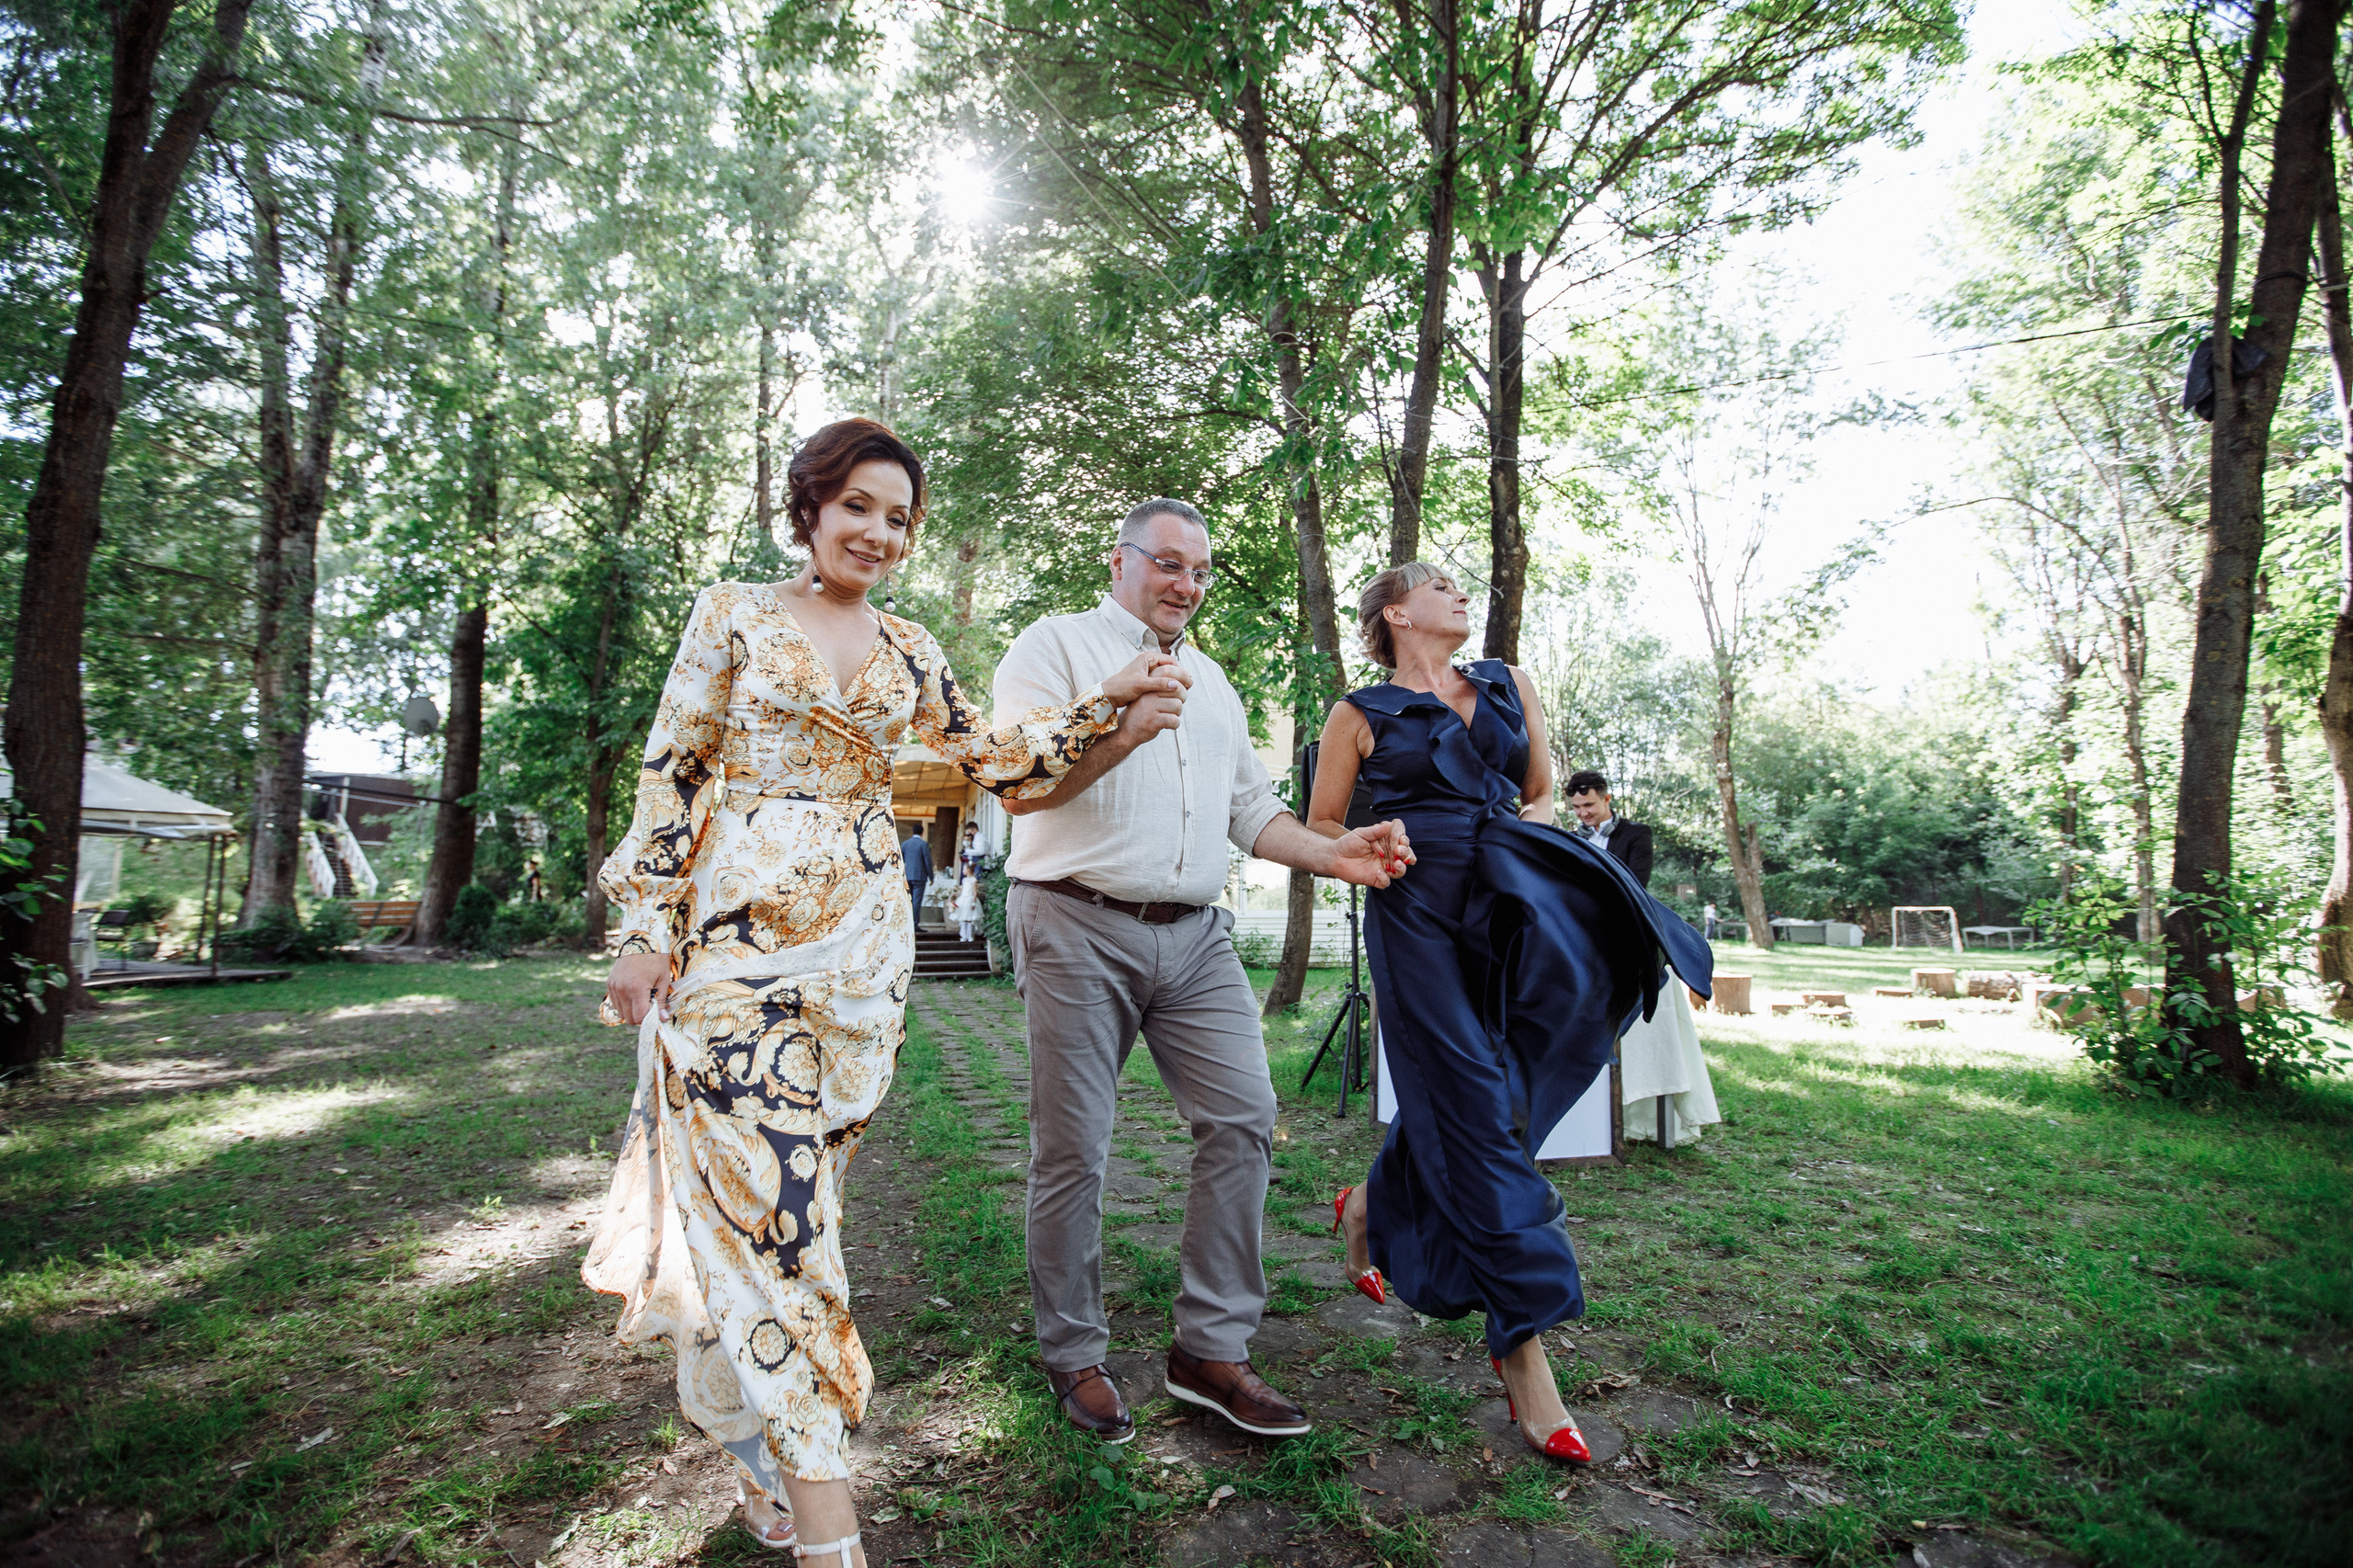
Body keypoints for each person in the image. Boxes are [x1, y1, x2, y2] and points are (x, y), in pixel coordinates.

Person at [585, 417, 1181, 1562]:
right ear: (809, 504)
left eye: (899, 517)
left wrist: (1103, 703)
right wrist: (645, 927)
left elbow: (997, 760)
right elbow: (674, 772)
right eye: (858, 504)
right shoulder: (734, 614)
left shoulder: (911, 649)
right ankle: (826, 1523)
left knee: (783, 1217)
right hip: (730, 956)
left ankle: (746, 1442)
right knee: (784, 1220)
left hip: (862, 964)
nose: (878, 531)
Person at [995, 497, 1414, 1446]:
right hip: (1074, 919)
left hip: (1195, 935)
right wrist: (1116, 723)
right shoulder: (1053, 648)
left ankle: (1209, 1350)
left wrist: (1333, 852)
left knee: (1243, 1117)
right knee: (1074, 1149)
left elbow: (1249, 811)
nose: (1184, 583)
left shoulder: (1214, 682)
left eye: (1198, 569)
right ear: (1119, 560)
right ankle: (1075, 1354)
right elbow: (1022, 781)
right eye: (1166, 562)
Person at [1307, 562, 1711, 1464]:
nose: (1461, 595)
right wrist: (1368, 844)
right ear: (1395, 611)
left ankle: (1369, 1202)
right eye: (1439, 585)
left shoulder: (1505, 681)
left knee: (1502, 1080)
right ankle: (1522, 1353)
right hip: (1412, 910)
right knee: (1472, 1102)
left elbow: (1537, 790)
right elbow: (1322, 824)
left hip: (1506, 900)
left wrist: (1521, 851)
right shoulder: (1358, 713)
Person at [1563, 770, 1653, 890]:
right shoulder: (1571, 840)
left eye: (1588, 805)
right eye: (1576, 807)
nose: (1583, 813)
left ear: (1606, 799)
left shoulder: (1637, 833)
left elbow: (1636, 888)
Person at [901, 825, 933, 917]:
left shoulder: (905, 844)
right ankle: (915, 923)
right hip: (920, 876)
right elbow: (928, 861)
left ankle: (906, 921)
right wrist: (931, 876)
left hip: (907, 875)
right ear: (922, 832)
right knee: (917, 901)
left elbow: (900, 860)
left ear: (912, 831)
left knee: (907, 899)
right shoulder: (923, 844)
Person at [952, 870, 983, 943]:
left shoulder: (973, 880)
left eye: (964, 869)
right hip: (963, 900)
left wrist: (973, 903)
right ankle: (963, 935)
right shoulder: (964, 880)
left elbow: (975, 892)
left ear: (968, 870)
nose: (963, 871)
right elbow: (962, 891)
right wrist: (954, 894)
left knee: (969, 918)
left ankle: (970, 935)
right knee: (963, 918)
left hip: (970, 899)